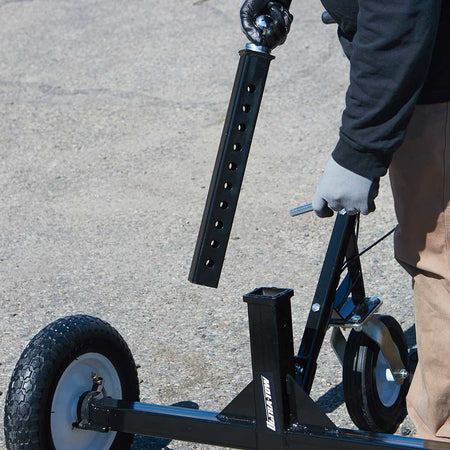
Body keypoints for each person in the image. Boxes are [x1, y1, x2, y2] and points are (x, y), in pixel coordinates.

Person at [240, 0, 450, 442]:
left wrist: (360, 150)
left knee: (441, 263)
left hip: (434, 73)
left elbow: (401, 12)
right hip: (422, 68)